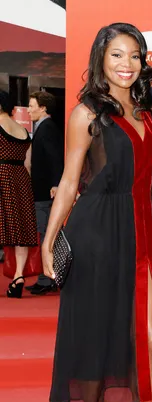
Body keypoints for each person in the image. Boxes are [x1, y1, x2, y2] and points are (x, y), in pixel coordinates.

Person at [42, 23, 152, 402]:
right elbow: (71, 179)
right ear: (100, 58)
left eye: (134, 55)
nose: (126, 63)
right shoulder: (85, 113)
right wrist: (49, 239)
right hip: (96, 234)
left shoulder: (149, 111)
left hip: (141, 232)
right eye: (116, 54)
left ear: (143, 62)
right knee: (95, 340)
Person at [26, 91, 64, 295]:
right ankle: (48, 277)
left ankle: (47, 278)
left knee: (47, 234)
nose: (29, 109)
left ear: (43, 108)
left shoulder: (47, 128)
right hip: (43, 191)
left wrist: (56, 184)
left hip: (46, 193)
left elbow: (55, 158)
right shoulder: (44, 127)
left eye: (32, 106)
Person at [0, 90, 37, 298]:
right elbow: (28, 163)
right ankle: (18, 275)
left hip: (2, 175)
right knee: (19, 232)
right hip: (20, 179)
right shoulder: (23, 130)